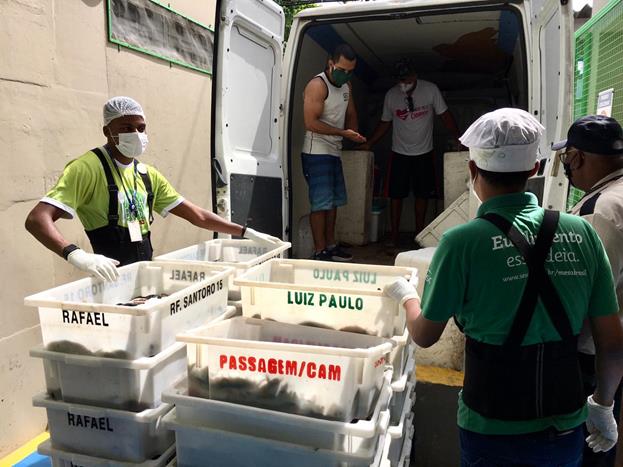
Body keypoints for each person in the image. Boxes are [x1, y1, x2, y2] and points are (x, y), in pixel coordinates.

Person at [384, 108, 623, 466]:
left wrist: (407, 297)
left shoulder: (461, 243)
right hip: (563, 419)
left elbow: (424, 334)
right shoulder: (582, 233)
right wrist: (603, 405)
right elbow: (612, 342)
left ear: (472, 170)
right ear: (534, 169)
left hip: (490, 423)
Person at [25, 96, 279, 282]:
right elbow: (37, 219)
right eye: (125, 128)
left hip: (145, 272)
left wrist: (246, 232)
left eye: (140, 128)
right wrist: (76, 255)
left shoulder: (146, 175)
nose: (135, 134)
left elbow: (197, 215)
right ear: (107, 131)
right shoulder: (87, 168)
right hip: (110, 276)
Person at [553, 115, 623, 467]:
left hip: (596, 359)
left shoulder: (600, 211)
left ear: (577, 157)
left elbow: (589, 298)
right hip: (614, 357)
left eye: (567, 158)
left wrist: (602, 400)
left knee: (586, 452)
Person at [358, 58, 460, 246]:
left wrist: (459, 138)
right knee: (396, 195)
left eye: (407, 80)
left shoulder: (430, 90)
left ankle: (419, 235)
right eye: (400, 81)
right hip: (399, 153)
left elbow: (444, 115)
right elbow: (385, 122)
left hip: (424, 152)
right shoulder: (391, 95)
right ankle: (394, 235)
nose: (403, 84)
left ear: (415, 76)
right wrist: (370, 142)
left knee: (423, 195)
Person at [301, 43, 366, 262]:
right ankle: (320, 251)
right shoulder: (317, 85)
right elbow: (310, 123)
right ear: (331, 63)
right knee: (321, 204)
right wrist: (342, 133)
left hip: (335, 151)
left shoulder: (347, 87)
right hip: (316, 151)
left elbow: (352, 113)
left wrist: (354, 135)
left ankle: (331, 245)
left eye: (350, 72)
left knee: (334, 202)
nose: (346, 75)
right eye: (342, 70)